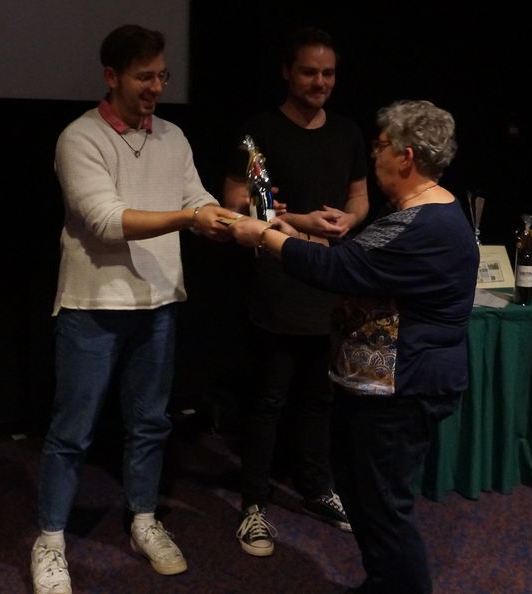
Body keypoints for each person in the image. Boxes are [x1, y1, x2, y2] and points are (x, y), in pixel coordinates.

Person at [229, 100, 478, 593]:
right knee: (366, 500)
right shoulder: (412, 213)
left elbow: (338, 269)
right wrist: (290, 230)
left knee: (384, 510)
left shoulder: (426, 225)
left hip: (402, 389)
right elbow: (360, 261)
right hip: (381, 388)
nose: (373, 154)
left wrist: (263, 236)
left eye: (380, 145)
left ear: (406, 156)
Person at [31, 24, 238, 594]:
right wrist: (190, 218)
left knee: (150, 423)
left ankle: (144, 520)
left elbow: (196, 199)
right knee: (72, 432)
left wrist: (240, 221)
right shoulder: (80, 138)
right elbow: (106, 220)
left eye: (162, 75)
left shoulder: (173, 136)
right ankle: (50, 540)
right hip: (93, 304)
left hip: (159, 304)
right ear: (112, 76)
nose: (156, 87)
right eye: (144, 76)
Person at [223, 26, 367, 555]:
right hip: (278, 282)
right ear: (287, 72)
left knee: (319, 396)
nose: (320, 82)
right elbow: (233, 201)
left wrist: (348, 220)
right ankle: (253, 504)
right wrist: (287, 219)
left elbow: (359, 198)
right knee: (268, 398)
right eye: (309, 72)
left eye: (328, 73)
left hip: (329, 280)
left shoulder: (348, 132)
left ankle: (316, 488)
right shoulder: (258, 130)